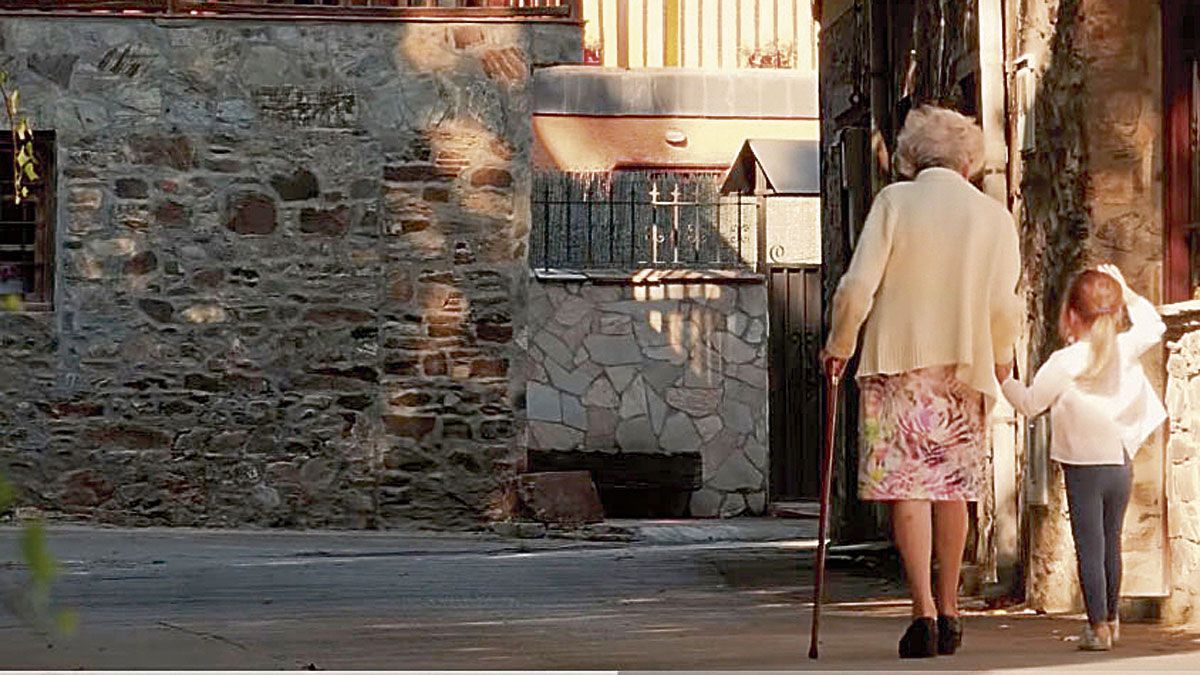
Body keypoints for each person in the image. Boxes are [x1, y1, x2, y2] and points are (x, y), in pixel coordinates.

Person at [821, 105, 1023, 659]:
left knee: (907, 489)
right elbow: (1004, 306)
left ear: (912, 156)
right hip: (963, 366)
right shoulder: (993, 217)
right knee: (952, 491)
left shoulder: (894, 202)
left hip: (896, 364)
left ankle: (922, 612)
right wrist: (1001, 360)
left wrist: (839, 345)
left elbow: (856, 286)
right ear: (968, 161)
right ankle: (952, 605)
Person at [1000, 265, 1166, 651]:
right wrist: (1126, 290)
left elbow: (1028, 403)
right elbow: (1154, 326)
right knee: (1111, 544)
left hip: (1082, 467)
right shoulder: (1124, 348)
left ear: (1072, 315)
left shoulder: (1064, 362)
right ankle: (1112, 618)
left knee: (1088, 546)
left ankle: (1098, 627)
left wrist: (1003, 378)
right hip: (1120, 460)